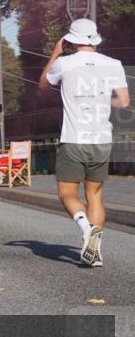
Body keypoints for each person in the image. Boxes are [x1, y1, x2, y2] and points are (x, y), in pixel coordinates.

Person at [40, 18, 130, 267]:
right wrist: (102, 103)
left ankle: (86, 229)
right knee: (95, 196)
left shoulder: (64, 63)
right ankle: (96, 251)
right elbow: (123, 101)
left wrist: (56, 52)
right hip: (101, 139)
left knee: (67, 193)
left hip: (73, 139)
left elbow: (43, 85)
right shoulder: (114, 64)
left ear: (71, 40)